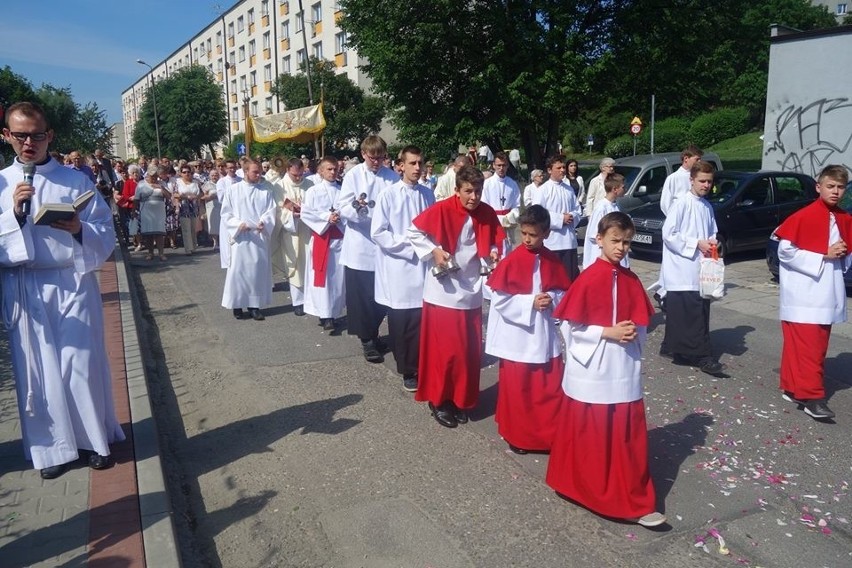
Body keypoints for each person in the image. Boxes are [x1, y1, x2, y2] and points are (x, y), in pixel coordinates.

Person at [0, 101, 124, 479]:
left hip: (71, 281)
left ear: (49, 135)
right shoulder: (3, 182)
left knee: (79, 364)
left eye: (37, 135)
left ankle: (94, 440)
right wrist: (14, 216)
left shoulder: (75, 180)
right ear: (6, 136)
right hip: (24, 284)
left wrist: (78, 229)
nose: (28, 143)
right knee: (37, 372)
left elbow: (103, 227)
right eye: (20, 135)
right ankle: (52, 450)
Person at [545, 211, 665, 528]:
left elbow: (641, 320)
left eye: (626, 242)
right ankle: (582, 488)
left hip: (622, 365)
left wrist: (633, 331)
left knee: (625, 436)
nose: (621, 248)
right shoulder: (587, 278)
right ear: (599, 239)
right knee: (591, 434)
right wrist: (606, 332)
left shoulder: (631, 279)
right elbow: (569, 327)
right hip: (593, 368)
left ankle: (629, 496)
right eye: (615, 241)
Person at [408, 165, 504, 428]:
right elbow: (414, 231)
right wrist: (434, 251)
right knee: (444, 352)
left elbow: (496, 238)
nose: (473, 197)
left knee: (467, 352)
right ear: (457, 190)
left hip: (470, 289)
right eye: (468, 191)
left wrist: (494, 251)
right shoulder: (442, 208)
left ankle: (461, 399)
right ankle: (439, 401)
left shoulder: (485, 212)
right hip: (443, 291)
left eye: (478, 191)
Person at [485, 205, 571, 453]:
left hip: (543, 335)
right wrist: (529, 302)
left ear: (545, 233)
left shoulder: (552, 259)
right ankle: (520, 437)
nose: (527, 239)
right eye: (523, 233)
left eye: (533, 234)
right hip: (518, 338)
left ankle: (549, 435)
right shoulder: (513, 260)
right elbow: (500, 299)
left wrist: (550, 299)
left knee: (549, 386)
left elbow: (562, 292)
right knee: (519, 390)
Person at [775, 165, 852, 420]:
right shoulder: (803, 216)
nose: (836, 191)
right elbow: (785, 251)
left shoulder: (844, 218)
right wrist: (824, 254)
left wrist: (840, 253)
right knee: (811, 347)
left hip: (827, 290)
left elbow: (846, 254)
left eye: (840, 187)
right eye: (830, 186)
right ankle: (813, 397)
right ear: (818, 187)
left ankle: (792, 386)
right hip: (804, 292)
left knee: (804, 345)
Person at [371, 146, 435, 392]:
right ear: (400, 165)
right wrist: (409, 247)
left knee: (421, 318)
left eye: (420, 163)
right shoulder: (389, 195)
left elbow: (433, 226)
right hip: (400, 265)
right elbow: (378, 232)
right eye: (412, 163)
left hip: (423, 265)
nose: (417, 168)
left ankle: (422, 363)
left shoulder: (427, 194)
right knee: (402, 319)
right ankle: (407, 369)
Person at [660, 160, 724, 376]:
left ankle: (674, 349)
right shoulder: (681, 204)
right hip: (683, 267)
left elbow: (712, 231)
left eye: (709, 182)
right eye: (702, 181)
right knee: (691, 312)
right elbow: (669, 234)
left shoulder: (707, 206)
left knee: (694, 311)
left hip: (701, 266)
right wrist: (696, 243)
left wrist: (713, 243)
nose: (706, 185)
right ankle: (702, 356)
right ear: (692, 180)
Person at [338, 136, 397, 362]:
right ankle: (368, 340)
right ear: (363, 154)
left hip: (383, 247)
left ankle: (373, 332)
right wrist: (359, 210)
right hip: (360, 246)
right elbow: (344, 206)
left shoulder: (391, 177)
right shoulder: (353, 175)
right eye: (372, 157)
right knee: (362, 298)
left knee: (382, 298)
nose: (376, 162)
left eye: (380, 157)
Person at [220, 160, 277, 321]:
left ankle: (254, 306)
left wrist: (264, 222)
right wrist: (239, 225)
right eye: (255, 172)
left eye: (260, 172)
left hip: (258, 237)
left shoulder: (265, 191)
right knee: (239, 272)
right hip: (241, 237)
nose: (259, 175)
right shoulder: (233, 190)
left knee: (256, 273)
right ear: (245, 171)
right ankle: (237, 305)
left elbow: (271, 210)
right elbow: (226, 214)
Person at [651, 145, 704, 306]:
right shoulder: (673, 178)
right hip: (678, 227)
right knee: (672, 263)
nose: (699, 162)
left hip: (693, 227)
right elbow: (665, 203)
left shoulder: (697, 178)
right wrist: (676, 219)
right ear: (686, 158)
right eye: (697, 159)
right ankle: (664, 292)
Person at [301, 156, 346, 332]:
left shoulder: (343, 190)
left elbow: (349, 211)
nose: (333, 172)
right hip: (322, 238)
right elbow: (307, 214)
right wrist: (327, 218)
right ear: (320, 171)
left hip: (339, 240)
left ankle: (333, 312)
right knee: (323, 279)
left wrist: (339, 217)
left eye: (335, 169)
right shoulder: (313, 191)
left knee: (337, 280)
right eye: (329, 169)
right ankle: (325, 314)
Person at [272, 158, 314, 316]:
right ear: (288, 170)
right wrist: (292, 215)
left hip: (308, 230)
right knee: (294, 265)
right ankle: (298, 302)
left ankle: (310, 299)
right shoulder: (280, 187)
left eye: (301, 174)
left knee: (309, 264)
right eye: (295, 175)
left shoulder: (309, 185)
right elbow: (277, 210)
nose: (298, 178)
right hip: (290, 231)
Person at [530, 155, 582, 280]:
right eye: (558, 168)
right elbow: (537, 213)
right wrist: (559, 219)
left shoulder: (569, 189)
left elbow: (578, 210)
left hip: (569, 241)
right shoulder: (543, 190)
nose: (562, 170)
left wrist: (571, 217)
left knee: (569, 277)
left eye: (563, 167)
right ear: (549, 170)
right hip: (551, 242)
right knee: (553, 278)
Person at [582, 173, 628, 270]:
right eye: (623, 187)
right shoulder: (601, 208)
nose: (625, 189)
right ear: (615, 189)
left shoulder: (616, 205)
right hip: (602, 257)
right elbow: (593, 234)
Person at [482, 151, 521, 253]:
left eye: (504, 165)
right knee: (494, 251)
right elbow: (483, 205)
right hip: (493, 222)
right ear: (493, 165)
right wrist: (495, 219)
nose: (501, 168)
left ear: (507, 166)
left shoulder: (512, 184)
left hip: (507, 222)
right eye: (498, 165)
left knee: (506, 251)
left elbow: (516, 205)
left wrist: (511, 215)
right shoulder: (487, 184)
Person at [134, 166, 171, 261]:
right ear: (147, 175)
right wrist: (134, 211)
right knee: (148, 234)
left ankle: (161, 253)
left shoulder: (161, 183)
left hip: (159, 212)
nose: (154, 178)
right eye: (152, 176)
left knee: (159, 233)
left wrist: (161, 187)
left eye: (155, 176)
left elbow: (169, 196)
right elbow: (136, 199)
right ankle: (150, 253)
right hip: (146, 212)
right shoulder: (141, 184)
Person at [217, 159, 242, 268]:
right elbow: (221, 199)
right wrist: (232, 190)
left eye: (234, 167)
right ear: (226, 169)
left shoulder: (241, 180)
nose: (232, 169)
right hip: (228, 214)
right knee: (228, 241)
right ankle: (230, 264)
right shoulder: (221, 182)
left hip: (240, 213)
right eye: (230, 167)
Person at [175, 164, 201, 255]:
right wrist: (184, 196)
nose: (187, 174)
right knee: (186, 229)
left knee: (193, 229)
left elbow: (201, 193)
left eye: (188, 172)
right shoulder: (178, 182)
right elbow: (174, 194)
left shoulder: (196, 182)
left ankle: (193, 247)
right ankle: (188, 249)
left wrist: (196, 197)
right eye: (184, 172)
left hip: (194, 207)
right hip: (184, 207)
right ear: (181, 173)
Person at [201, 168, 221, 251]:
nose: (214, 176)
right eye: (212, 175)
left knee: (221, 223)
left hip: (221, 205)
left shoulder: (221, 183)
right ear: (209, 176)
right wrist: (210, 197)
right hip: (211, 206)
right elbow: (203, 197)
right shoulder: (207, 184)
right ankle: (215, 242)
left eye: (216, 175)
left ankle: (222, 241)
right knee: (213, 224)